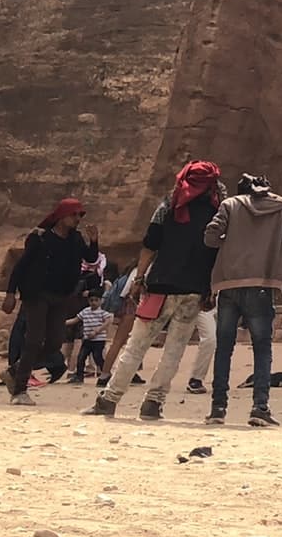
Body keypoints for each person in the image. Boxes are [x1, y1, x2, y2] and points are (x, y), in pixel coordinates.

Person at [88, 160, 224, 420]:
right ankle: (153, 403)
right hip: (194, 290)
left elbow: (150, 245)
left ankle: (109, 399)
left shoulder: (168, 205)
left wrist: (139, 279)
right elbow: (219, 254)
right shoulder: (218, 211)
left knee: (136, 345)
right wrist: (212, 289)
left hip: (159, 285)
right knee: (174, 350)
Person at [203, 172, 282, 426]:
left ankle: (218, 409)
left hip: (229, 283)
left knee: (224, 347)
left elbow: (210, 237)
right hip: (263, 283)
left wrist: (231, 243)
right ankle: (260, 407)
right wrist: (276, 251)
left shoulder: (230, 205)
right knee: (262, 348)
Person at [2, 198, 98, 404]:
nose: (78, 219)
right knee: (34, 339)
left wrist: (95, 241)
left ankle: (17, 370)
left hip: (61, 296)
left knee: (55, 342)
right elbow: (21, 266)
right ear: (62, 216)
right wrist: (10, 293)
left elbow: (90, 259)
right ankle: (19, 390)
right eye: (74, 214)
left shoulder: (76, 239)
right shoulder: (41, 238)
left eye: (80, 215)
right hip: (37, 294)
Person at [70, 293, 110, 383]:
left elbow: (108, 321)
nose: (94, 302)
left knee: (98, 358)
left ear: (101, 301)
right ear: (88, 301)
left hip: (99, 340)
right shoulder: (85, 311)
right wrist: (62, 323)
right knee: (81, 358)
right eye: (91, 300)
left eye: (96, 300)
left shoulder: (103, 312)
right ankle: (79, 377)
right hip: (87, 340)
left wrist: (97, 330)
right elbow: (75, 320)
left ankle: (106, 374)